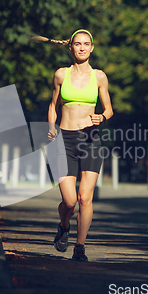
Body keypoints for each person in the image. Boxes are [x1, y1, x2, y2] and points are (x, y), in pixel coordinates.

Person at [35, 29, 113, 261]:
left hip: (90, 139)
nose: (82, 48)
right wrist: (51, 125)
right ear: (70, 47)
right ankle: (63, 224)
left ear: (92, 48)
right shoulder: (60, 75)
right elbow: (53, 105)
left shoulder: (100, 77)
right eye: (77, 44)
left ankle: (80, 247)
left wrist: (103, 117)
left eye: (86, 44)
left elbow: (109, 108)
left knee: (84, 198)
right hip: (64, 140)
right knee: (69, 201)